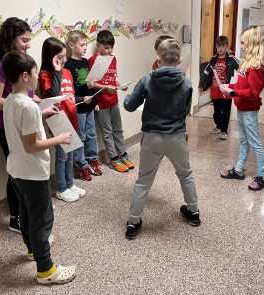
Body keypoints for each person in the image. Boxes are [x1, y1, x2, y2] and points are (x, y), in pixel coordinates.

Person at [2, 51, 76, 284]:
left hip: (16, 170)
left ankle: (33, 249)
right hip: (33, 172)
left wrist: (42, 112)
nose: (36, 76)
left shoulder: (11, 100)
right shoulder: (29, 107)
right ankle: (46, 270)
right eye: (35, 72)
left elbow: (21, 125)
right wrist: (60, 138)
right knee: (42, 219)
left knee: (26, 213)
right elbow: (32, 145)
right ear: (25, 75)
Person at [123, 39, 201, 239]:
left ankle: (133, 222)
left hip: (151, 139)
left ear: (157, 59)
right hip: (176, 137)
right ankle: (193, 212)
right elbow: (184, 111)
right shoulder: (186, 83)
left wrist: (126, 97)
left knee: (143, 181)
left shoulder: (147, 79)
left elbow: (130, 105)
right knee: (186, 174)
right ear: (180, 60)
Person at [0, 17, 41, 233]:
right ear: (11, 39)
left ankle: (28, 208)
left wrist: (34, 100)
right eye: (24, 40)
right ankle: (15, 217)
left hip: (25, 123)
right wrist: (25, 102)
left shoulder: (22, 63)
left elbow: (25, 91)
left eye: (29, 40)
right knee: (16, 171)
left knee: (26, 169)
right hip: (8, 127)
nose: (28, 44)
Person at [220, 26, 264, 191]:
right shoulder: (248, 63)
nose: (241, 46)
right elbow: (243, 86)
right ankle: (239, 170)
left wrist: (232, 91)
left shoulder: (257, 67)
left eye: (243, 43)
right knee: (243, 140)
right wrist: (230, 85)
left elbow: (253, 93)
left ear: (253, 43)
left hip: (249, 109)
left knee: (255, 142)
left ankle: (262, 176)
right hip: (241, 106)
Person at [39, 37, 85, 202]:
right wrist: (57, 71)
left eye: (65, 56)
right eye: (60, 57)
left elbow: (69, 96)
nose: (64, 60)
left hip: (71, 118)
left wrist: (81, 99)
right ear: (51, 57)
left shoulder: (67, 72)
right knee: (62, 156)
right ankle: (61, 188)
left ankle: (70, 183)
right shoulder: (46, 74)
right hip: (58, 120)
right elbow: (54, 97)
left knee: (70, 155)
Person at [88, 30, 135, 173]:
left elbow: (112, 77)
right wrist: (105, 87)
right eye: (106, 48)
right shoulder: (92, 61)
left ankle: (123, 154)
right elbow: (91, 83)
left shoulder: (113, 58)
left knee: (118, 129)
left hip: (114, 99)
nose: (109, 51)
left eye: (111, 48)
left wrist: (121, 85)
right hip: (101, 103)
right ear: (98, 45)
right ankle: (113, 158)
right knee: (107, 132)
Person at [64, 30, 102, 181]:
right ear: (72, 45)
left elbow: (88, 85)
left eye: (86, 44)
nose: (85, 47)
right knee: (81, 136)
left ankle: (92, 159)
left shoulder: (85, 62)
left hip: (90, 105)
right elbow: (71, 90)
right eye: (82, 45)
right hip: (79, 106)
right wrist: (82, 96)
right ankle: (81, 165)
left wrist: (94, 98)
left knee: (91, 134)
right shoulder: (68, 65)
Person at [199, 36, 239, 140]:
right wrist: (201, 84)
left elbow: (241, 68)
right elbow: (206, 72)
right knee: (217, 111)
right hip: (215, 89)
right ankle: (218, 126)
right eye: (219, 46)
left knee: (226, 111)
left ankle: (224, 131)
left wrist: (239, 83)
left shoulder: (231, 59)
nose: (220, 48)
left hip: (226, 90)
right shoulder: (213, 59)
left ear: (227, 47)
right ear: (216, 46)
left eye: (223, 46)